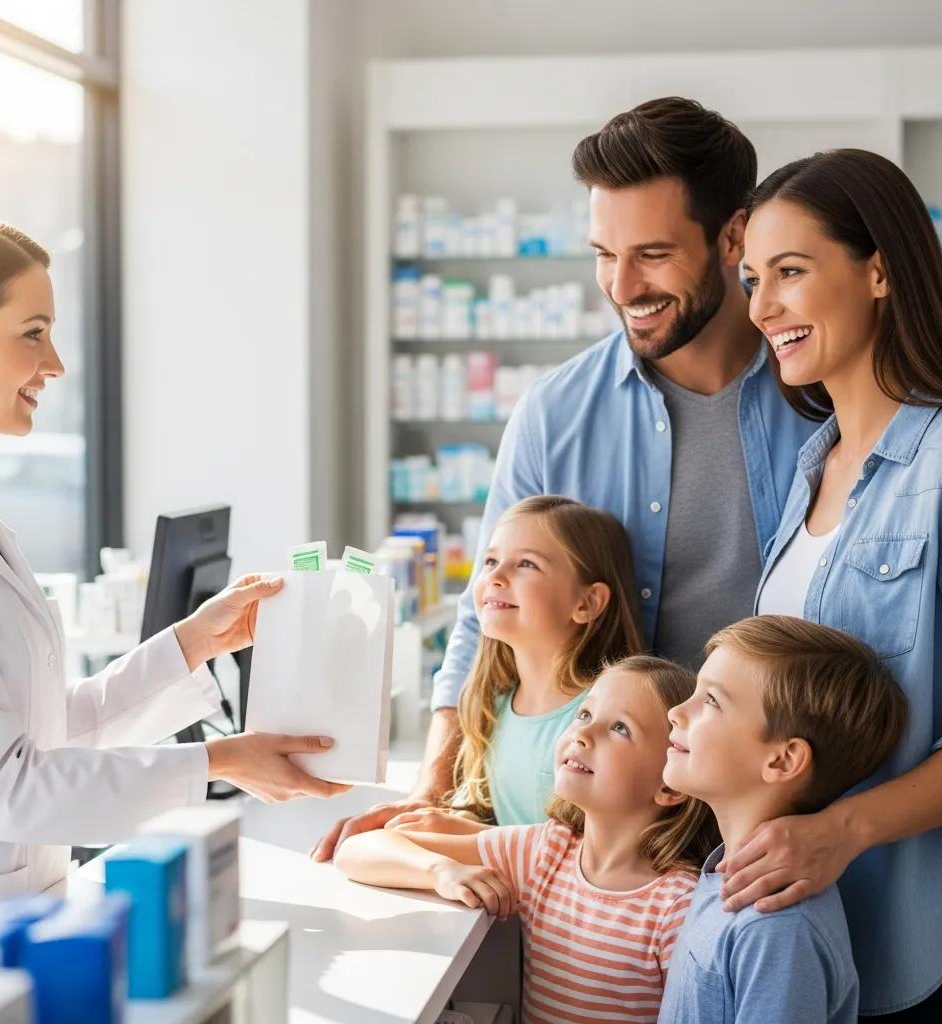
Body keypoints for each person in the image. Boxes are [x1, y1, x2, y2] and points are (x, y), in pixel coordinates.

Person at [313, 96, 816, 863]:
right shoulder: (555, 412)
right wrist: (433, 787)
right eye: (603, 254)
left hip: (770, 832)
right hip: (596, 847)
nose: (621, 286)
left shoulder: (818, 401)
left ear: (733, 236)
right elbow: (483, 618)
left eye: (652, 254)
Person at [0, 207, 346, 913]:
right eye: (33, 334)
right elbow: (7, 789)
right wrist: (219, 761)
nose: (55, 364)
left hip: (21, 908)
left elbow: (45, 733)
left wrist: (193, 642)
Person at [721, 148, 942, 1019]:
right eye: (751, 280)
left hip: (912, 942)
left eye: (790, 272)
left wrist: (842, 831)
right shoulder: (812, 470)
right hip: (803, 941)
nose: (761, 307)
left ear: (879, 271)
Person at [336, 656, 718, 1024]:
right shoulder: (546, 853)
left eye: (620, 728)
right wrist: (440, 871)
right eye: (585, 714)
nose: (582, 734)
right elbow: (358, 849)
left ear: (670, 786)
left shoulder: (678, 907)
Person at [660, 616, 907, 1023]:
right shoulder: (725, 875)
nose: (675, 712)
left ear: (783, 760)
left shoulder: (778, 928)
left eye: (711, 701)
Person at [386, 495, 642, 836]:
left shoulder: (602, 723)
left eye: (526, 564)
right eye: (490, 561)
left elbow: (593, 851)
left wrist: (465, 841)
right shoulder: (490, 707)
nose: (495, 576)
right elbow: (482, 818)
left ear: (587, 602)